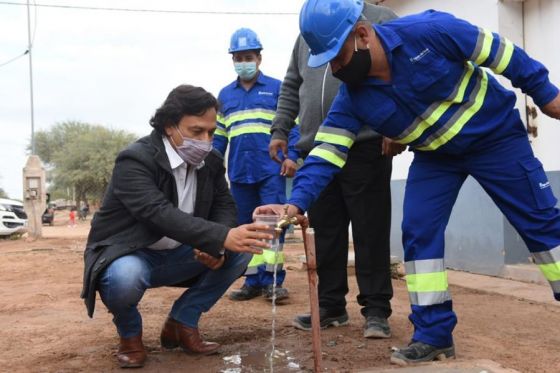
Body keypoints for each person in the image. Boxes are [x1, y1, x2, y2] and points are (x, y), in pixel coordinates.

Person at [256, 0, 560, 366]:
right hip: (436, 157)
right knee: (418, 231)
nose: (335, 69)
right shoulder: (352, 99)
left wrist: (545, 94)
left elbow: (500, 51)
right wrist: (295, 204)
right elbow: (324, 155)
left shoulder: (430, 31)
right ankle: (434, 335)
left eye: (337, 56)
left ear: (363, 35)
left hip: (495, 139)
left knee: (541, 223)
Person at [81, 85, 273, 368]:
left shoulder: (211, 161)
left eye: (211, 132)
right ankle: (130, 335)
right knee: (123, 278)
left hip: (179, 254)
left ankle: (183, 321)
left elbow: (224, 205)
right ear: (170, 126)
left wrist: (215, 244)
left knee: (241, 251)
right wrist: (219, 235)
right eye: (197, 132)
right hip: (130, 254)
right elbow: (157, 212)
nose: (206, 141)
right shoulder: (135, 159)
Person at [269, 2, 397, 339]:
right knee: (325, 231)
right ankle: (330, 307)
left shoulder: (381, 19)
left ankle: (376, 310)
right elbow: (291, 83)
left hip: (366, 142)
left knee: (370, 231)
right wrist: (280, 128)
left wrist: (396, 125)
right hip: (315, 148)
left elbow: (399, 74)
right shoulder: (309, 32)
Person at [214, 28, 300, 302]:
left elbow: (291, 127)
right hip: (239, 173)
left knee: (273, 224)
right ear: (233, 61)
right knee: (246, 227)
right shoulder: (225, 95)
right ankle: (252, 280)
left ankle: (274, 281)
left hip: (270, 171)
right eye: (238, 57)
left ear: (259, 58)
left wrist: (292, 156)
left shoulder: (277, 89)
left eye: (248, 56)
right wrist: (213, 163)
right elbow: (219, 135)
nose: (243, 61)